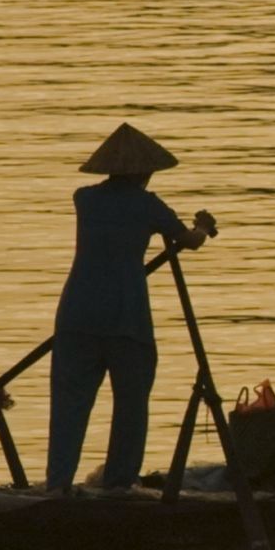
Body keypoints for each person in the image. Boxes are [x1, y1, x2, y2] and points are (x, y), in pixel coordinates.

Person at [47, 122, 213, 487]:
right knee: (131, 407)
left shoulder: (84, 199)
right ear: (144, 172)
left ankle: (57, 483)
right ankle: (119, 482)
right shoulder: (148, 205)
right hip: (126, 319)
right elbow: (189, 241)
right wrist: (202, 226)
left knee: (69, 407)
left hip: (77, 315)